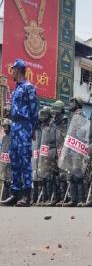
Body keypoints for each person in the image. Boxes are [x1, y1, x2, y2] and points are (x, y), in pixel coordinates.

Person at [1, 59, 38, 207]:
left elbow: (34, 109)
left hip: (25, 125)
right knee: (14, 159)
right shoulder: (16, 88)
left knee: (24, 160)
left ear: (19, 70)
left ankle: (26, 195)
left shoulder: (29, 87)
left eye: (13, 70)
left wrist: (34, 128)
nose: (12, 72)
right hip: (15, 125)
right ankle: (15, 194)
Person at [62, 97, 87, 207]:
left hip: (77, 148)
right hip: (71, 148)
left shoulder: (80, 115)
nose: (70, 104)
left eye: (73, 102)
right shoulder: (74, 116)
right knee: (71, 176)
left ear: (78, 103)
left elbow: (80, 133)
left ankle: (80, 199)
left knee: (77, 175)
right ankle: (73, 199)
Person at [48, 100, 68, 206]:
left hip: (60, 149)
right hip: (52, 150)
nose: (55, 112)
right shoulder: (53, 121)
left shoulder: (63, 120)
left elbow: (62, 136)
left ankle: (63, 197)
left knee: (62, 175)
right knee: (53, 176)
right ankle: (56, 197)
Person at [0, 119, 12, 202]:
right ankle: (4, 197)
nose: (5, 128)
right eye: (3, 126)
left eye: (6, 126)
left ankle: (11, 197)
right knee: (5, 180)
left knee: (10, 180)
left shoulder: (13, 137)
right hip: (4, 161)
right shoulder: (4, 138)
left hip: (11, 161)